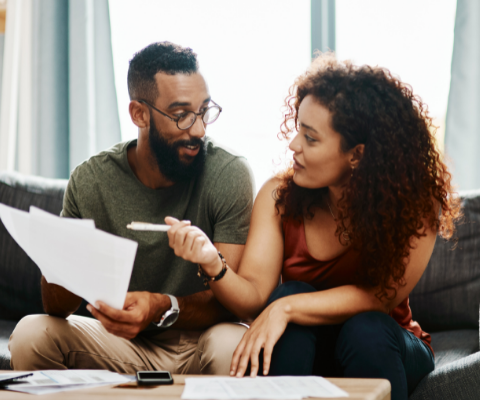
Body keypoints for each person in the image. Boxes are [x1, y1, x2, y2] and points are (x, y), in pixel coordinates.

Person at [165, 54, 461, 399]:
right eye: (297, 130)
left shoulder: (413, 205)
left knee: (361, 327)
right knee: (292, 293)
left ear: (357, 154)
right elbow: (253, 300)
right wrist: (211, 261)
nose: (294, 146)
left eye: (311, 138)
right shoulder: (279, 195)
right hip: (307, 349)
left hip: (385, 345)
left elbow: (380, 298)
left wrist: (283, 308)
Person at [9, 42, 254, 375]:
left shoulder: (228, 174)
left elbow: (230, 304)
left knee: (233, 343)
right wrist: (64, 255)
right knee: (30, 334)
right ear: (139, 114)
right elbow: (55, 307)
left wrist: (158, 306)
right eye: (181, 115)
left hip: (198, 342)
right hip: (119, 341)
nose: (197, 130)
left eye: (204, 111)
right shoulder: (91, 180)